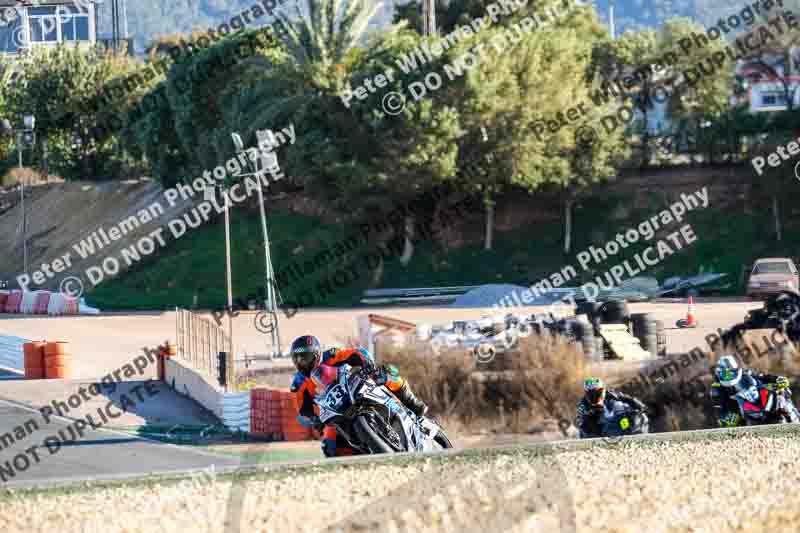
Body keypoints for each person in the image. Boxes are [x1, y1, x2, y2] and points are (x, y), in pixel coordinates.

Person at [288, 335, 428, 457]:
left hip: (353, 386)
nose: (302, 362)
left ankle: (411, 401)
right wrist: (314, 419)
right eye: (297, 359)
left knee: (385, 373)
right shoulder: (299, 382)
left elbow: (357, 353)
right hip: (332, 409)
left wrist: (367, 363)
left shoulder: (331, 355)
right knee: (328, 445)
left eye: (305, 357)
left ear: (316, 354)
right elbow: (301, 408)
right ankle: (363, 462)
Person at [711, 354, 794, 426]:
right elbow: (718, 409)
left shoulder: (745, 373)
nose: (729, 372)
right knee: (735, 423)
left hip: (754, 397)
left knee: (780, 390)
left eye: (731, 368)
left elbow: (761, 377)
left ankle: (790, 412)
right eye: (726, 371)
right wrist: (725, 417)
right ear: (719, 372)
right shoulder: (717, 387)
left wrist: (776, 379)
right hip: (740, 409)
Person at [575, 377, 647, 438]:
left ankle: (630, 432)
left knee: (622, 408)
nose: (594, 395)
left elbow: (627, 398)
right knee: (587, 426)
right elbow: (580, 422)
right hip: (597, 431)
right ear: (586, 393)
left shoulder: (610, 394)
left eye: (598, 392)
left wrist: (639, 406)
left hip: (612, 423)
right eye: (591, 393)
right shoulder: (582, 405)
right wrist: (589, 416)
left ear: (603, 390)